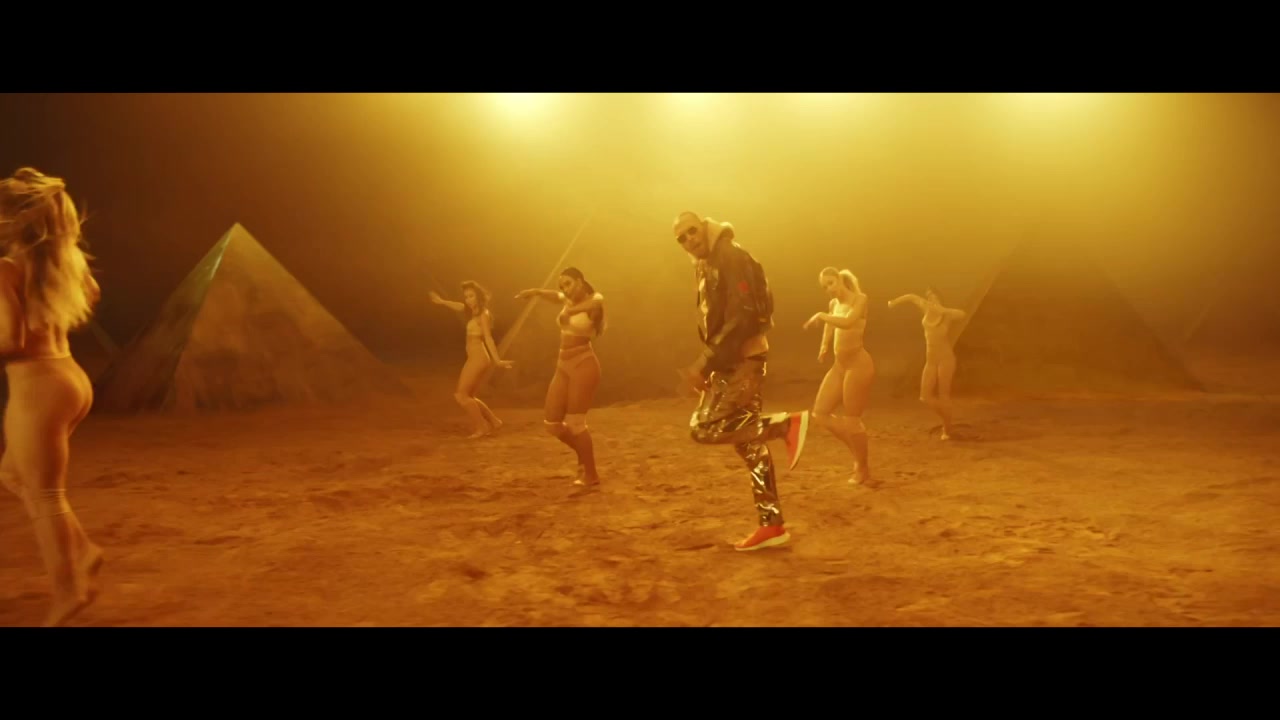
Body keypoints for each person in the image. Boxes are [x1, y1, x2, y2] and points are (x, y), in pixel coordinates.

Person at [0, 167, 105, 626]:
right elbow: (92, 295)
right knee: (12, 474)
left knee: (45, 496)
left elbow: (11, 340)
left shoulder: (6, 269)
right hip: (70, 377)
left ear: (14, 219)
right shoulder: (65, 262)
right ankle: (83, 551)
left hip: (37, 388)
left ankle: (68, 591)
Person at [673, 211, 809, 552]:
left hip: (743, 360)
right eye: (681, 238)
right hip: (729, 361)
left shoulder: (731, 257)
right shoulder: (707, 264)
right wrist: (712, 363)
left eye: (692, 231)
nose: (689, 240)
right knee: (746, 440)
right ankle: (772, 526)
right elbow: (717, 320)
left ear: (704, 227)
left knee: (705, 428)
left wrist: (704, 363)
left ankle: (784, 425)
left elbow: (742, 315)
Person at [515, 267, 605, 488]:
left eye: (568, 283)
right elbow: (555, 296)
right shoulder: (568, 298)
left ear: (580, 281)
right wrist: (536, 292)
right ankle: (583, 456)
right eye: (562, 285)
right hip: (563, 365)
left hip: (584, 364)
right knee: (552, 424)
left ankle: (591, 474)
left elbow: (595, 304)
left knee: (576, 424)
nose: (565, 289)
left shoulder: (594, 301)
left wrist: (569, 311)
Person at [804, 267, 876, 486]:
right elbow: (831, 326)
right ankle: (857, 453)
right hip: (839, 366)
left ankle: (862, 468)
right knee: (820, 414)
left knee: (852, 421)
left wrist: (820, 315)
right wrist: (824, 345)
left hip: (858, 365)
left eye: (830, 283)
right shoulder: (833, 304)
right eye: (824, 286)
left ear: (839, 279)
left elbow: (848, 322)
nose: (828, 289)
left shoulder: (860, 299)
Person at [429, 281, 512, 438]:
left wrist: (498, 360)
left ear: (478, 296)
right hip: (475, 357)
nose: (468, 300)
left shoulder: (483, 314)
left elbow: (488, 338)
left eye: (471, 296)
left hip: (479, 358)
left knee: (461, 396)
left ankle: (482, 428)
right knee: (470, 396)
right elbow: (459, 306)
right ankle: (494, 422)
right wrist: (442, 302)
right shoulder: (472, 311)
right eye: (466, 296)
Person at [888, 287, 967, 440]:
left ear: (939, 299)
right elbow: (911, 296)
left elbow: (962, 314)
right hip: (931, 361)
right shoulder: (925, 307)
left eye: (933, 297)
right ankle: (946, 418)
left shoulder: (946, 314)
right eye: (929, 297)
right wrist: (894, 302)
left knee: (944, 395)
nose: (930, 300)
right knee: (925, 397)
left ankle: (946, 429)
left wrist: (942, 310)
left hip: (945, 359)